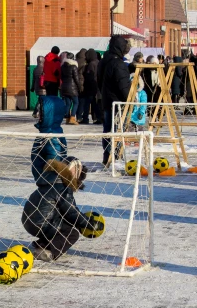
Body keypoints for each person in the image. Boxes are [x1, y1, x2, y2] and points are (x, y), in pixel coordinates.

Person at [21, 157, 98, 261]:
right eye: (75, 170)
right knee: (72, 234)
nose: (76, 174)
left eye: (78, 171)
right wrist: (88, 223)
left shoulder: (51, 180)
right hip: (41, 223)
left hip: (28, 221)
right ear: (67, 169)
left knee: (62, 223)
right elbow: (71, 212)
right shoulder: (62, 187)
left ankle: (42, 244)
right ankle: (48, 251)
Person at [98, 36, 131, 165]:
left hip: (107, 99)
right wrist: (129, 100)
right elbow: (122, 85)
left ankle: (108, 155)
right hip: (117, 102)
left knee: (107, 129)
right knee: (117, 129)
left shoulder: (104, 60)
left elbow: (100, 80)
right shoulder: (118, 63)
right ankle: (116, 156)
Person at [31, 95, 67, 181]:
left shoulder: (52, 135)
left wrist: (48, 178)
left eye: (40, 112)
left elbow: (54, 158)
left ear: (49, 114)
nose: (37, 115)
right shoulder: (45, 131)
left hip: (50, 182)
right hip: (42, 178)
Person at [60, 52, 82, 125]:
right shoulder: (74, 67)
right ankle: (72, 118)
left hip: (64, 87)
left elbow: (61, 77)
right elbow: (76, 78)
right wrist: (80, 87)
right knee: (76, 102)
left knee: (68, 103)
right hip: (72, 88)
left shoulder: (63, 67)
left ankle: (67, 118)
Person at [79, 49, 100, 124]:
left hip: (90, 86)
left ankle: (85, 118)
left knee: (87, 103)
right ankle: (98, 117)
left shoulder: (91, 64)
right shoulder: (98, 62)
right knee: (94, 103)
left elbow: (89, 76)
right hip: (96, 86)